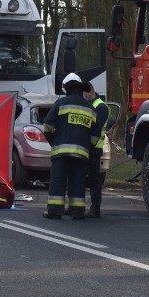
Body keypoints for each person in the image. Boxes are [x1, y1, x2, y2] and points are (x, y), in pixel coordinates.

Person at [42, 73, 100, 220]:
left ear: (67, 88)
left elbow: (47, 127)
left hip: (60, 152)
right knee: (78, 182)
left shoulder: (60, 103)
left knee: (58, 181)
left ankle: (55, 211)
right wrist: (88, 148)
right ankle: (77, 211)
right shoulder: (90, 108)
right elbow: (95, 135)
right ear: (80, 89)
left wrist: (54, 142)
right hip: (82, 154)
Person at [81, 82, 108, 219]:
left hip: (94, 148)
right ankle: (78, 207)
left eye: (84, 93)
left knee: (94, 180)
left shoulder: (101, 107)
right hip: (84, 147)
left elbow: (94, 127)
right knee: (79, 178)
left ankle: (95, 208)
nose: (83, 96)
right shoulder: (89, 105)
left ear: (90, 91)